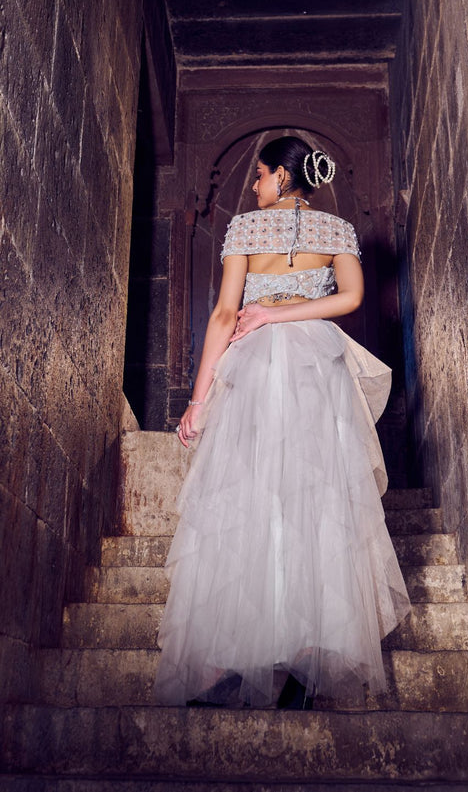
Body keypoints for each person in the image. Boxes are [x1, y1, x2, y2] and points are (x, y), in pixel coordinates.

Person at [154, 136, 410, 709]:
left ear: (282, 177)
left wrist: (199, 399)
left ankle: (241, 653)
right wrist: (291, 314)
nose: (253, 185)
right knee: (315, 498)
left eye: (260, 174)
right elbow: (351, 298)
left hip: (258, 365)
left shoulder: (245, 229)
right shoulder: (336, 230)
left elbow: (225, 314)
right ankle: (308, 648)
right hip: (318, 364)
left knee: (251, 495)